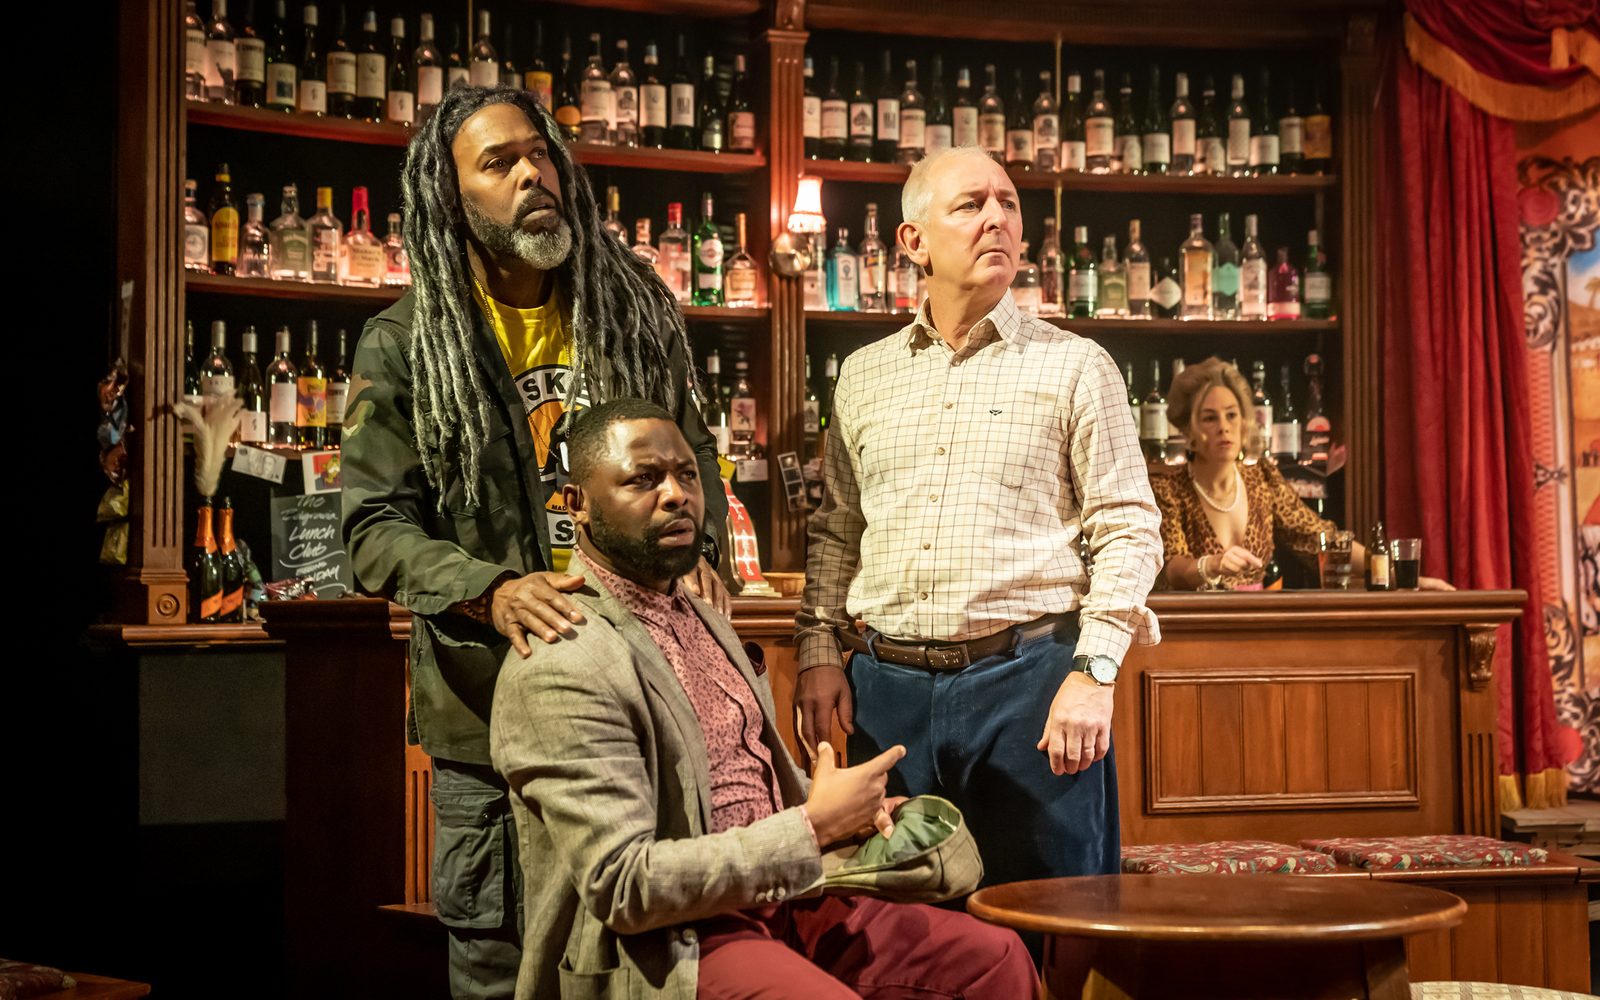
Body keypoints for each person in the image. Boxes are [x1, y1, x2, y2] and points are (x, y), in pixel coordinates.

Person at [340, 85, 728, 999]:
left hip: (642, 695)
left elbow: (696, 448)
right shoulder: (404, 343)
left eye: (539, 153)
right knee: (500, 969)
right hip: (491, 715)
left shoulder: (632, 308)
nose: (531, 174)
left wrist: (700, 541)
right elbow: (372, 532)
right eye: (498, 163)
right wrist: (492, 588)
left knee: (653, 962)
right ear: (451, 199)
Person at [490, 399, 1036, 1000]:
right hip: (670, 944)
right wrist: (812, 825)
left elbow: (751, 794)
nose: (676, 495)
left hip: (783, 898)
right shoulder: (564, 658)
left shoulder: (701, 612)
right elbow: (625, 887)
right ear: (579, 505)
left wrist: (851, 819)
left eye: (687, 475)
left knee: (992, 956)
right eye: (643, 479)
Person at [794, 145, 1165, 890]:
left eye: (1008, 203)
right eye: (970, 205)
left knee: (1049, 919)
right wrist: (818, 650)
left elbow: (1129, 527)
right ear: (913, 242)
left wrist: (1093, 674)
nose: (996, 218)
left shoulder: (1075, 365)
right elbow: (838, 527)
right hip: (887, 689)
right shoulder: (864, 373)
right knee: (898, 928)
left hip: (1029, 682)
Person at [1151, 357, 1454, 591]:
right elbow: (1172, 567)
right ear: (1188, 430)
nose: (1224, 426)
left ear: (1245, 422)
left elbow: (1318, 537)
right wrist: (1212, 564)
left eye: (1232, 415)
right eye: (1209, 418)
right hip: (1191, 635)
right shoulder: (1169, 488)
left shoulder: (1262, 479)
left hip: (1255, 628)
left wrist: (1393, 576)